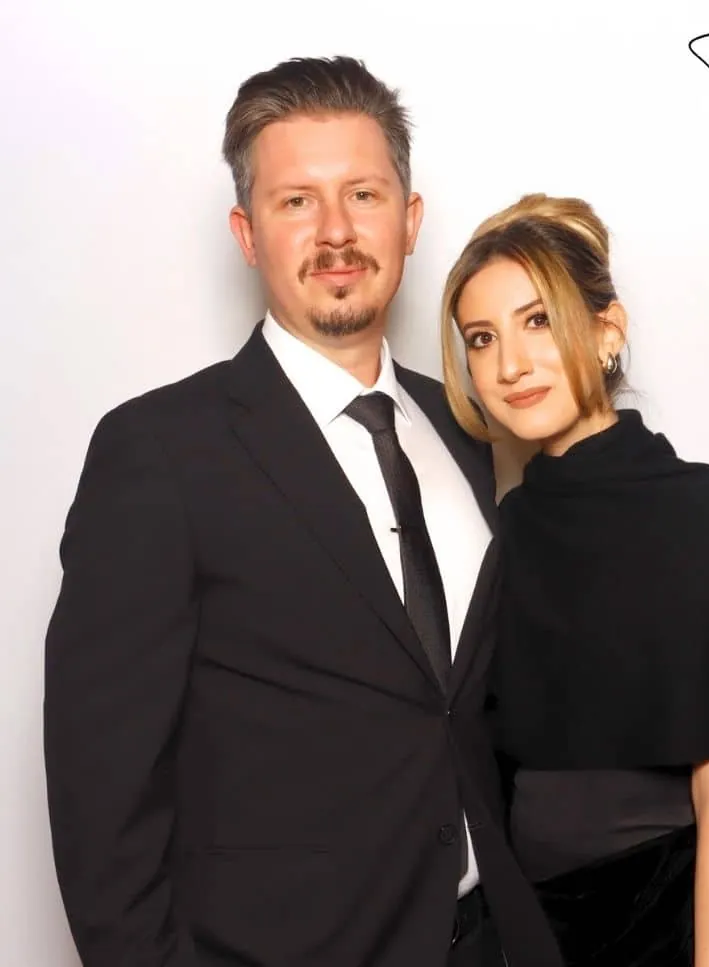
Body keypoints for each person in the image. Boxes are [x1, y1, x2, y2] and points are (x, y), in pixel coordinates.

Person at [43, 59, 563, 967]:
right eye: (296, 202)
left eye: (363, 193)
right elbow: (102, 796)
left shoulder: (472, 425)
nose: (335, 232)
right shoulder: (159, 453)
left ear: (409, 219)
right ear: (247, 233)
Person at [440, 193, 709, 966]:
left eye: (537, 320)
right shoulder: (499, 532)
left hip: (672, 923)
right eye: (483, 337)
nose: (509, 363)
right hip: (528, 932)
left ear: (608, 330)